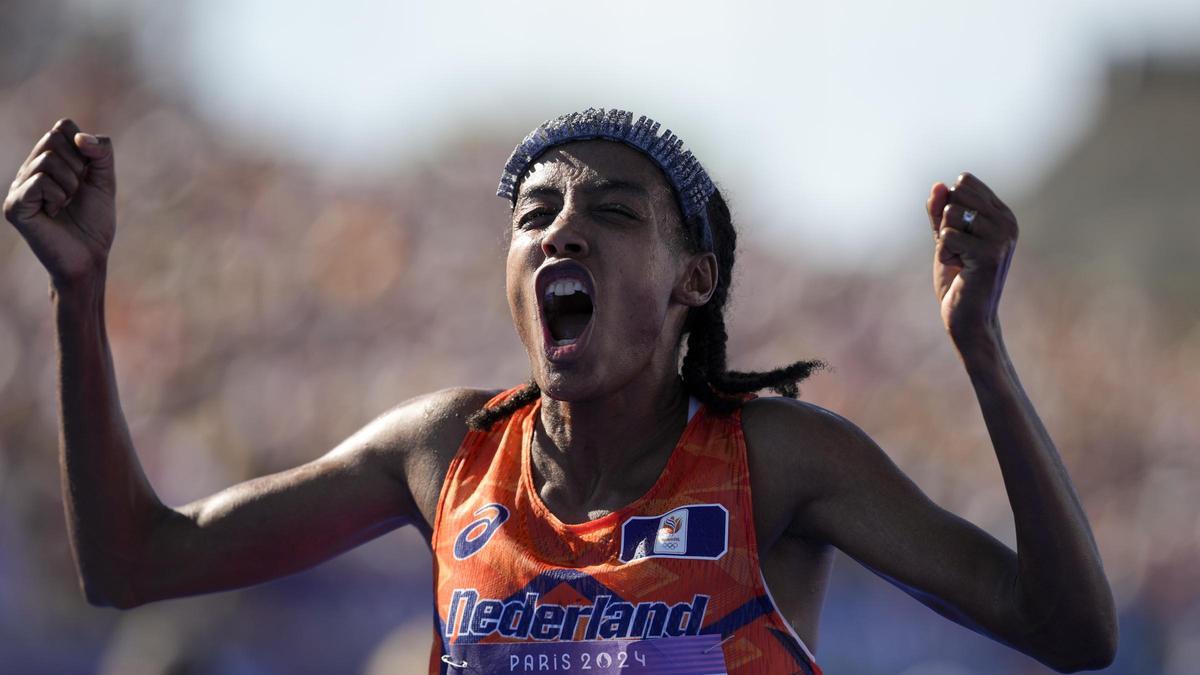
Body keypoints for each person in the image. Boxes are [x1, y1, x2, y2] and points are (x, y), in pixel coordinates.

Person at [3, 110, 1117, 674]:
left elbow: (1072, 634)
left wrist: (982, 352)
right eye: (534, 213)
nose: (560, 228)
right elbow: (135, 564)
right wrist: (79, 293)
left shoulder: (777, 462)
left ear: (696, 280)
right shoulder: (445, 451)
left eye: (613, 211)